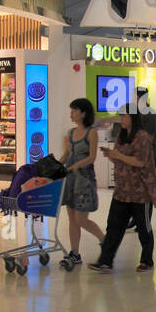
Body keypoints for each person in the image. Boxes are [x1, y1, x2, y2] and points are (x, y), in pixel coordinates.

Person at [90, 110, 156, 273]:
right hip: (122, 190)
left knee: (144, 228)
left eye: (124, 116)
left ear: (133, 118)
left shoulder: (142, 137)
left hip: (140, 193)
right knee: (114, 226)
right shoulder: (121, 136)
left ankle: (147, 261)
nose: (121, 119)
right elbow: (119, 157)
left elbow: (140, 162)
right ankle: (105, 261)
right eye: (120, 116)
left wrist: (118, 156)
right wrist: (111, 155)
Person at [60, 98, 106, 267]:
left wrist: (75, 166)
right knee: (72, 219)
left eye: (74, 110)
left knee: (81, 219)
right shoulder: (71, 132)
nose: (71, 114)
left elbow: (92, 157)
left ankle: (105, 241)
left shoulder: (91, 133)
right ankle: (75, 253)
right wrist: (54, 166)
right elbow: (66, 154)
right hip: (70, 179)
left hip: (84, 180)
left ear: (83, 113)